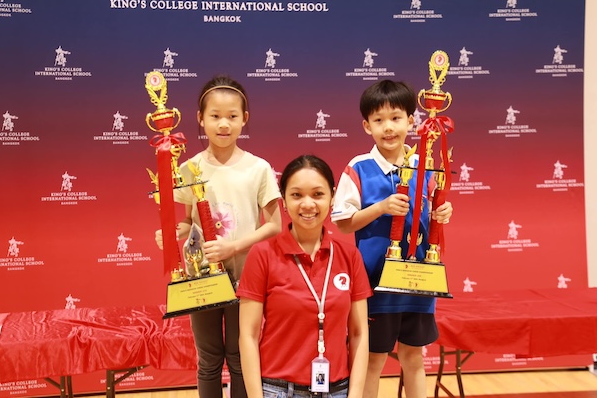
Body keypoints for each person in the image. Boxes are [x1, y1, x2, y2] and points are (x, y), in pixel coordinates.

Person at [156, 75, 282, 398]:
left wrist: (234, 246)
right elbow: (188, 223)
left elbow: (274, 225)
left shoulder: (259, 169)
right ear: (200, 118)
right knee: (209, 359)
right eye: (215, 116)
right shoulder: (188, 168)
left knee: (241, 357)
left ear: (245, 120)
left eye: (232, 116)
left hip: (247, 278)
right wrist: (173, 236)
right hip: (203, 281)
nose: (223, 124)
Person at [330, 80, 453, 398]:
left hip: (418, 279)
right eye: (379, 120)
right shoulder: (358, 168)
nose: (388, 127)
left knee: (414, 357)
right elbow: (343, 222)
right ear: (366, 125)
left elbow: (431, 212)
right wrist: (380, 208)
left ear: (412, 121)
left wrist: (441, 212)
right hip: (374, 282)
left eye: (396, 118)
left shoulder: (425, 166)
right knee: (374, 359)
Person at [237, 155, 372, 398]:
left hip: (338, 390)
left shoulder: (349, 256)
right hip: (277, 391)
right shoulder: (263, 255)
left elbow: (359, 333)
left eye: (318, 194)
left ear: (332, 198)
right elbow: (248, 334)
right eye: (297, 195)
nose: (307, 204)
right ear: (284, 201)